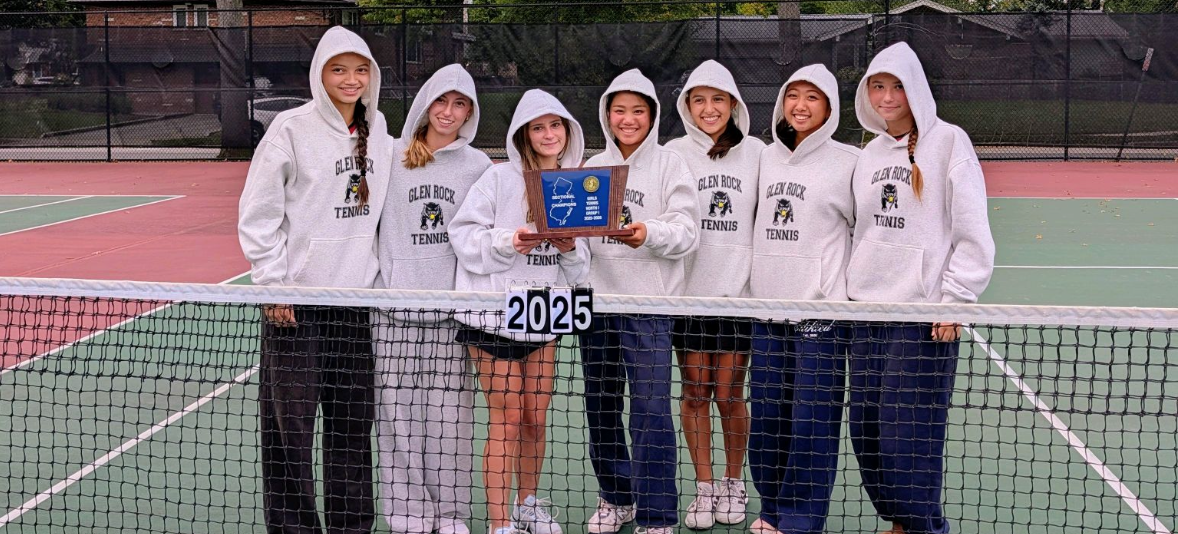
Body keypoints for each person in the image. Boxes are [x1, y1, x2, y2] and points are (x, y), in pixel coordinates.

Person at [237, 25, 392, 534]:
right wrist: (274, 284)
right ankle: (294, 528)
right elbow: (259, 213)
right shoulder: (290, 128)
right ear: (319, 75)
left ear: (372, 75)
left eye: (360, 69)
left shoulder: (381, 131)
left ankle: (352, 527)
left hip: (354, 304)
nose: (351, 80)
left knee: (351, 430)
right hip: (295, 308)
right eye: (339, 70)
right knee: (289, 434)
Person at [847, 41, 995, 534]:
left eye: (896, 87)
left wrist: (954, 301)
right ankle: (903, 521)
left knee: (907, 434)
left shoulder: (950, 142)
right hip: (866, 315)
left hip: (923, 318)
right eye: (878, 86)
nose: (887, 97)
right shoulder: (867, 155)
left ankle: (920, 527)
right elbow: (860, 232)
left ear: (916, 91)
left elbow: (972, 231)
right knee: (866, 432)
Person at [449, 88, 590, 534]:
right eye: (538, 127)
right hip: (493, 312)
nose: (549, 134)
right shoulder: (497, 179)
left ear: (567, 131)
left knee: (535, 416)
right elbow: (465, 236)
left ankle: (528, 503)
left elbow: (581, 268)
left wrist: (568, 247)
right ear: (524, 135)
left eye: (555, 125)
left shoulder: (579, 182)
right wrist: (510, 240)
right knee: (506, 418)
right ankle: (499, 523)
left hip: (545, 309)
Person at [579, 68, 700, 534]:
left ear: (652, 115)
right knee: (600, 406)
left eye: (638, 111)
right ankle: (616, 498)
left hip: (650, 307)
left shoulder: (671, 166)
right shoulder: (591, 166)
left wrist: (647, 233)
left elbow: (688, 233)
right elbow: (578, 240)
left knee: (650, 410)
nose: (627, 120)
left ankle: (657, 514)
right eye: (619, 110)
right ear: (607, 113)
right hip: (597, 308)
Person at [373, 63, 492, 534]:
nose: (449, 111)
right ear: (424, 104)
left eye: (460, 104)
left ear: (470, 113)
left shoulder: (479, 166)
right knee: (397, 419)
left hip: (451, 315)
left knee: (450, 421)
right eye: (441, 101)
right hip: (392, 312)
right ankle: (408, 514)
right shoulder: (389, 157)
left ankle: (450, 515)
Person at [746, 63, 860, 534]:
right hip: (767, 313)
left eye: (813, 97)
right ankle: (772, 510)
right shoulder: (763, 158)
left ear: (830, 108)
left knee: (811, 425)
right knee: (768, 420)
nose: (800, 105)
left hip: (821, 317)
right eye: (793, 94)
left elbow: (867, 230)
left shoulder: (850, 161)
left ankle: (800, 520)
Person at [663, 59, 764, 530]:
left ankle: (732, 482)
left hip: (737, 299)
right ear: (687, 106)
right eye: (699, 100)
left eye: (717, 100)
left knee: (729, 396)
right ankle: (703, 489)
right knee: (695, 393)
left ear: (733, 105)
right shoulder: (673, 152)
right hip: (690, 300)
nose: (708, 109)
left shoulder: (757, 153)